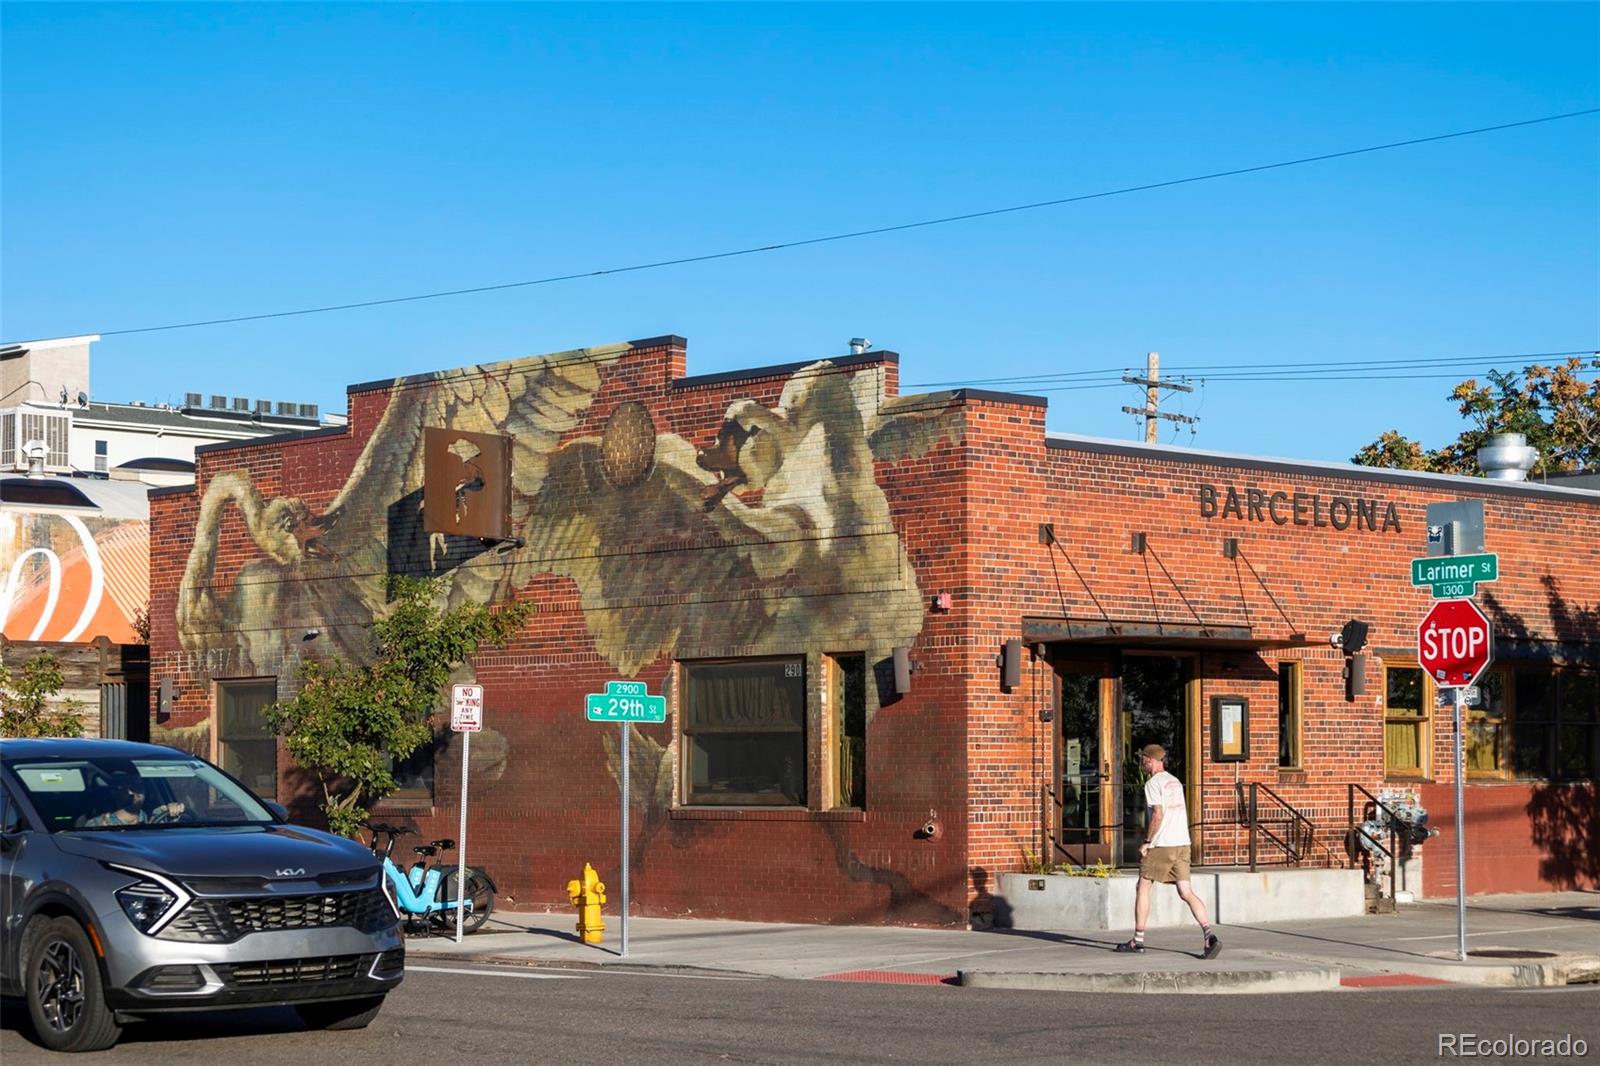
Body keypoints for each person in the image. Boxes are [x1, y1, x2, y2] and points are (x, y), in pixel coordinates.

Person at [1115, 744, 1220, 959]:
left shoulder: (1153, 783)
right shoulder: (1174, 781)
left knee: (1143, 887)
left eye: (1143, 759)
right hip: (1183, 843)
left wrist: (1146, 841)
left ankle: (1138, 940)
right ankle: (1209, 935)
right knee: (1186, 892)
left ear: (1150, 760)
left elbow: (1158, 815)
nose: (1142, 762)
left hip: (1162, 844)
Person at [81, 776, 185, 827]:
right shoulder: (97, 824)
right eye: (126, 788)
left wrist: (176, 809)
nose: (132, 792)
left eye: (137, 786)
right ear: (115, 792)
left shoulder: (157, 816)